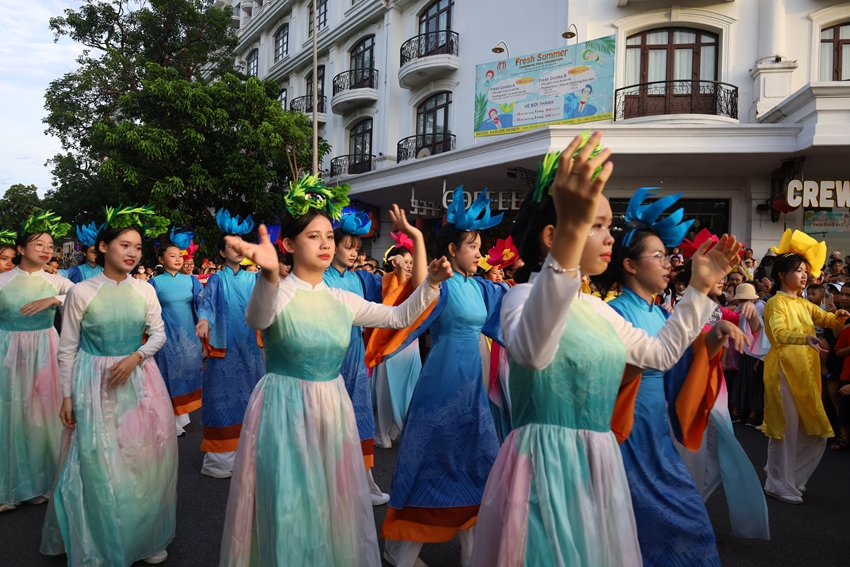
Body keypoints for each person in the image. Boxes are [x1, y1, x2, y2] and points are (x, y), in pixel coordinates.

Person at [470, 133, 746, 567]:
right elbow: (534, 351)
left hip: (600, 465)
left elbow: (659, 353)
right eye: (593, 224)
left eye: (604, 225)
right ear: (552, 235)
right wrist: (570, 240)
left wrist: (698, 287)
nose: (608, 237)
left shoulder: (599, 311)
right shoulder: (521, 298)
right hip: (545, 466)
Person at [217, 177, 451, 566]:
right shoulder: (279, 290)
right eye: (314, 236)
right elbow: (257, 318)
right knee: (287, 500)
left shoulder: (344, 298)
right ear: (289, 245)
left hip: (331, 406)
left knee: (330, 500)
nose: (326, 244)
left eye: (329, 235)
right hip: (282, 409)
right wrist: (270, 275)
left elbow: (398, 316)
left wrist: (431, 284)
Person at [41, 206, 176, 566]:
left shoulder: (145, 290)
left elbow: (160, 333)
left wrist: (137, 356)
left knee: (143, 456)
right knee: (99, 459)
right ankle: (100, 536)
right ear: (103, 247)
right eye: (124, 245)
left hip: (140, 378)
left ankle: (144, 536)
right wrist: (67, 396)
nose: (132, 253)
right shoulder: (81, 292)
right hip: (92, 382)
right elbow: (67, 348)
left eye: (137, 247)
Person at [381, 187, 509, 567]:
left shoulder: (482, 287)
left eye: (480, 246)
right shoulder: (445, 282)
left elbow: (513, 322)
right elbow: (422, 288)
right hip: (442, 383)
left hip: (473, 385)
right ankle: (400, 549)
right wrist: (418, 237)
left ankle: (476, 552)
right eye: (472, 246)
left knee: (479, 459)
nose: (479, 253)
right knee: (432, 459)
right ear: (452, 250)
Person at [324, 208, 428, 506]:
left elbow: (396, 299)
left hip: (354, 355)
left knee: (359, 417)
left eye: (358, 249)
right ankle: (331, 484)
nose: (355, 253)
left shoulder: (364, 280)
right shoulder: (320, 279)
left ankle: (366, 483)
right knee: (328, 420)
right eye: (349, 247)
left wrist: (402, 269)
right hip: (327, 357)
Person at [762, 231, 850, 504]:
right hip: (784, 373)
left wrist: (839, 315)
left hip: (805, 375)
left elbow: (827, 318)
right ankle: (778, 482)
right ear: (781, 275)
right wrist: (806, 337)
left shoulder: (802, 303)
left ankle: (786, 477)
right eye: (797, 271)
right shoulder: (776, 303)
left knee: (812, 432)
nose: (804, 275)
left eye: (804, 271)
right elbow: (778, 333)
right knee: (786, 430)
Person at [0, 214, 73, 515]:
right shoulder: (3, 280)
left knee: (44, 413)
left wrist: (53, 300)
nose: (46, 249)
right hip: (7, 351)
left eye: (50, 245)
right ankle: (9, 488)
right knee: (11, 414)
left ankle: (43, 482)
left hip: (46, 348)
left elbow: (85, 297)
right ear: (20, 248)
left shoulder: (56, 280)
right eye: (38, 244)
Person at [195, 209, 265, 479]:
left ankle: (249, 454)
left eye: (241, 246)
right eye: (231, 247)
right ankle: (219, 461)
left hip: (249, 347)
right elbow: (207, 305)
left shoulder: (255, 278)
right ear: (222, 253)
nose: (237, 251)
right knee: (221, 399)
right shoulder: (216, 279)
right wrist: (203, 321)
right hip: (224, 350)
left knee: (251, 397)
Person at [370, 232, 424, 451]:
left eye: (412, 262)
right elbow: (395, 306)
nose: (410, 265)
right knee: (387, 390)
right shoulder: (387, 280)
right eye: (406, 262)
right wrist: (401, 272)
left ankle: (399, 429)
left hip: (411, 342)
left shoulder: (416, 281)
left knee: (410, 386)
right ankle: (382, 432)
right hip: (390, 343)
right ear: (394, 263)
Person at [150, 228, 204, 436]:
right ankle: (169, 420)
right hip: (166, 337)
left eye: (179, 255)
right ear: (161, 259)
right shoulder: (153, 283)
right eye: (171, 255)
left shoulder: (192, 281)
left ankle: (181, 416)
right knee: (168, 375)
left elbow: (202, 308)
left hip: (189, 338)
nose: (177, 259)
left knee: (186, 374)